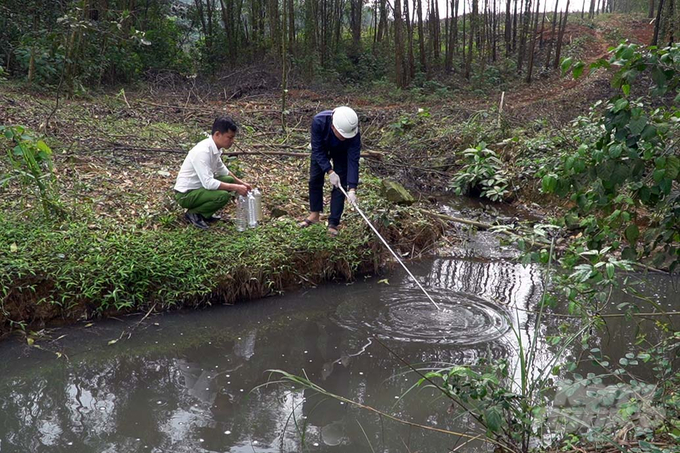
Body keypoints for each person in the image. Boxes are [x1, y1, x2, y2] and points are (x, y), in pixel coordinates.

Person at [174, 116, 253, 230]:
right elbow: (208, 183)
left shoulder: (215, 149)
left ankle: (205, 215)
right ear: (217, 134)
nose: (232, 141)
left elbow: (223, 170)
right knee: (222, 196)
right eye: (229, 137)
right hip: (186, 194)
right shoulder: (203, 151)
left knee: (229, 180)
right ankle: (194, 214)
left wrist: (242, 183)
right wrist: (236, 187)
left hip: (198, 188)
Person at [298, 106, 361, 237]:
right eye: (342, 135)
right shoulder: (319, 121)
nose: (345, 137)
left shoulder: (353, 134)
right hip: (322, 148)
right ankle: (315, 214)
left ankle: (333, 222)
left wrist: (352, 188)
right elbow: (317, 150)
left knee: (340, 184)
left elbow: (353, 160)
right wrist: (330, 171)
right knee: (315, 179)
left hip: (341, 153)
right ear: (333, 127)